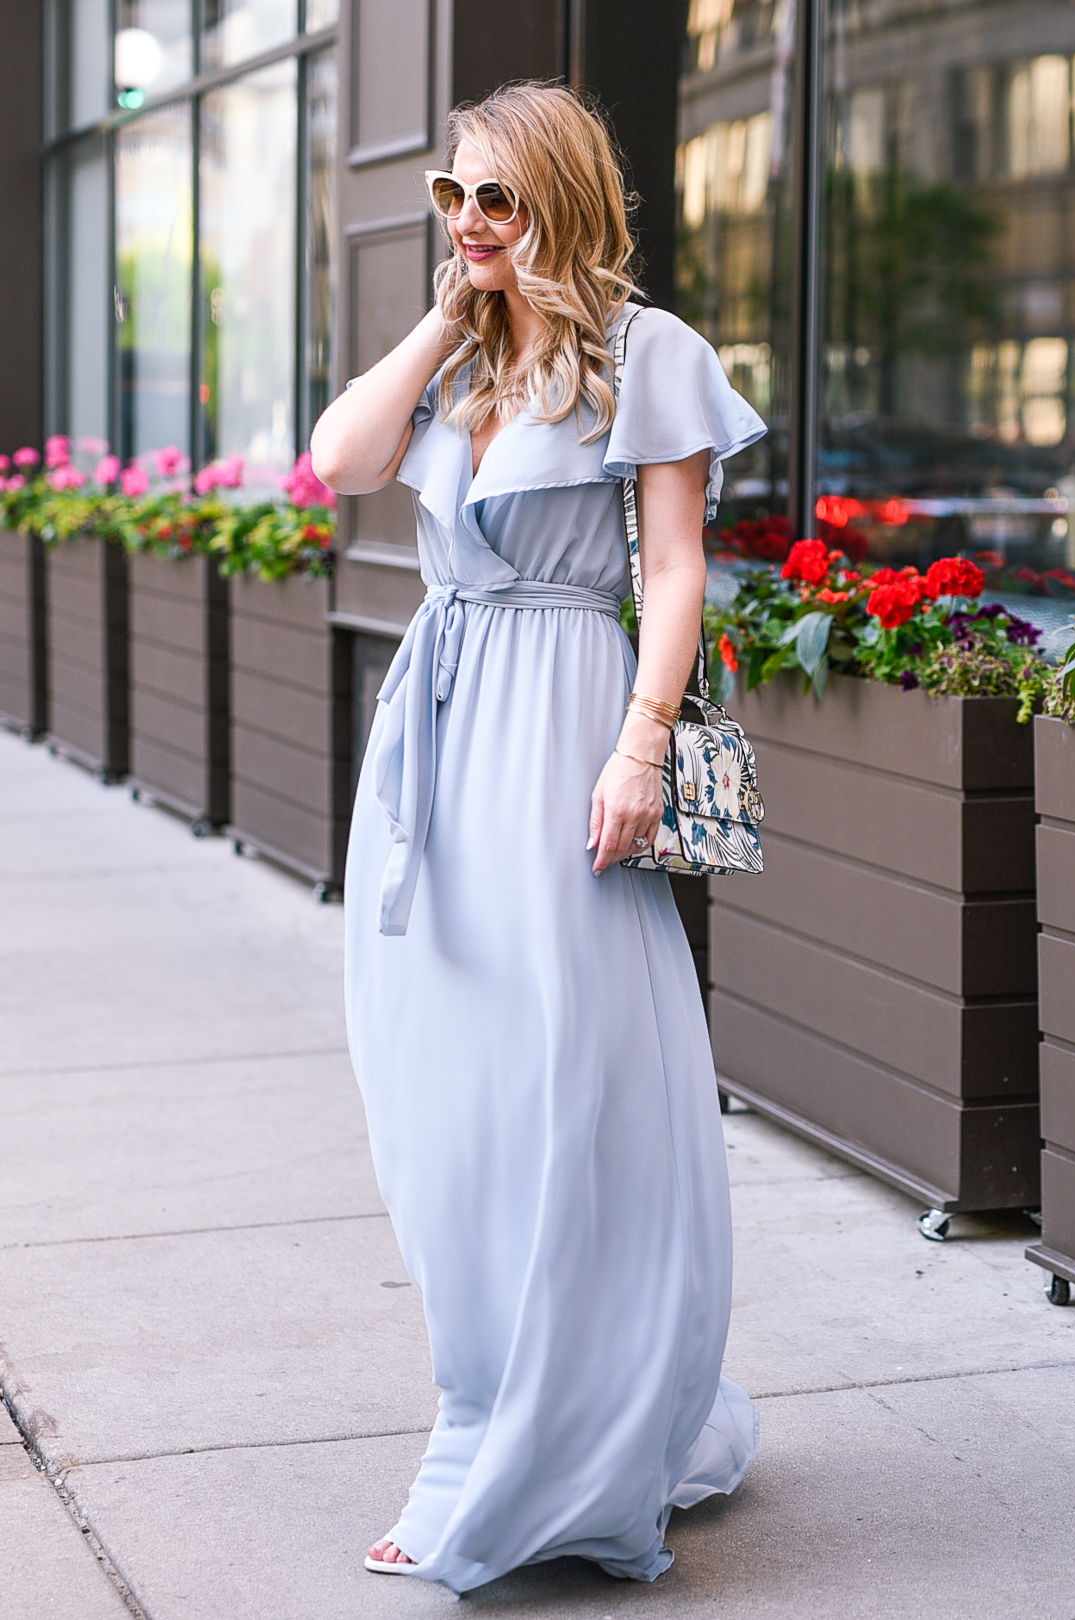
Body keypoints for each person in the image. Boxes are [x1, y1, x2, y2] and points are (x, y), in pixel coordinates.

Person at [309, 81, 766, 1594]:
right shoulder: (460, 362)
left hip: (567, 726)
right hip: (438, 736)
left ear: (560, 196)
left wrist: (643, 741)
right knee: (447, 1097)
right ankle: (482, 1405)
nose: (471, 220)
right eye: (453, 194)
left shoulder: (651, 354)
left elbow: (681, 569)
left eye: (498, 198)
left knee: (570, 1083)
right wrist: (450, 313)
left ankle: (547, 1443)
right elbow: (340, 461)